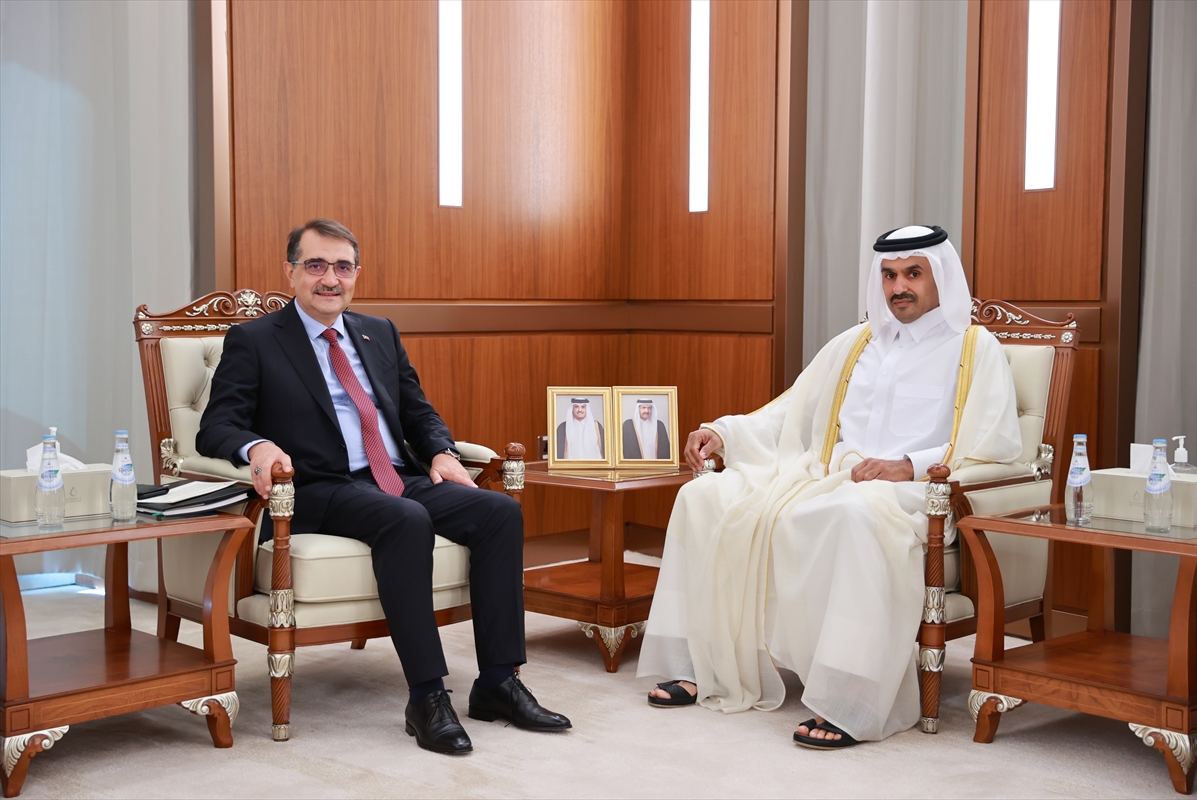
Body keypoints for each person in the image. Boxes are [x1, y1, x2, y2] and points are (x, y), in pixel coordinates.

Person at [637, 225, 1022, 749]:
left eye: (913, 273)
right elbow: (790, 410)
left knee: (853, 515)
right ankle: (700, 665)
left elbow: (994, 443)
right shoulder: (856, 343)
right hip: (826, 474)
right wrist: (724, 433)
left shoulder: (975, 348)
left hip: (916, 492)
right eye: (889, 275)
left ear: (940, 276)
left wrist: (907, 465)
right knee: (703, 496)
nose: (898, 287)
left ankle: (851, 698)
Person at [197, 218, 570, 756]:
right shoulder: (255, 340)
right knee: (406, 520)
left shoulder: (379, 332)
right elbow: (216, 426)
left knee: (498, 513)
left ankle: (497, 682)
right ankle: (427, 696)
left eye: (342, 267)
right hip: (322, 486)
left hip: (397, 475)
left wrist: (441, 451)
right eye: (316, 265)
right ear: (290, 272)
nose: (330, 278)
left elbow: (418, 412)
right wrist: (257, 447)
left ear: (356, 274)